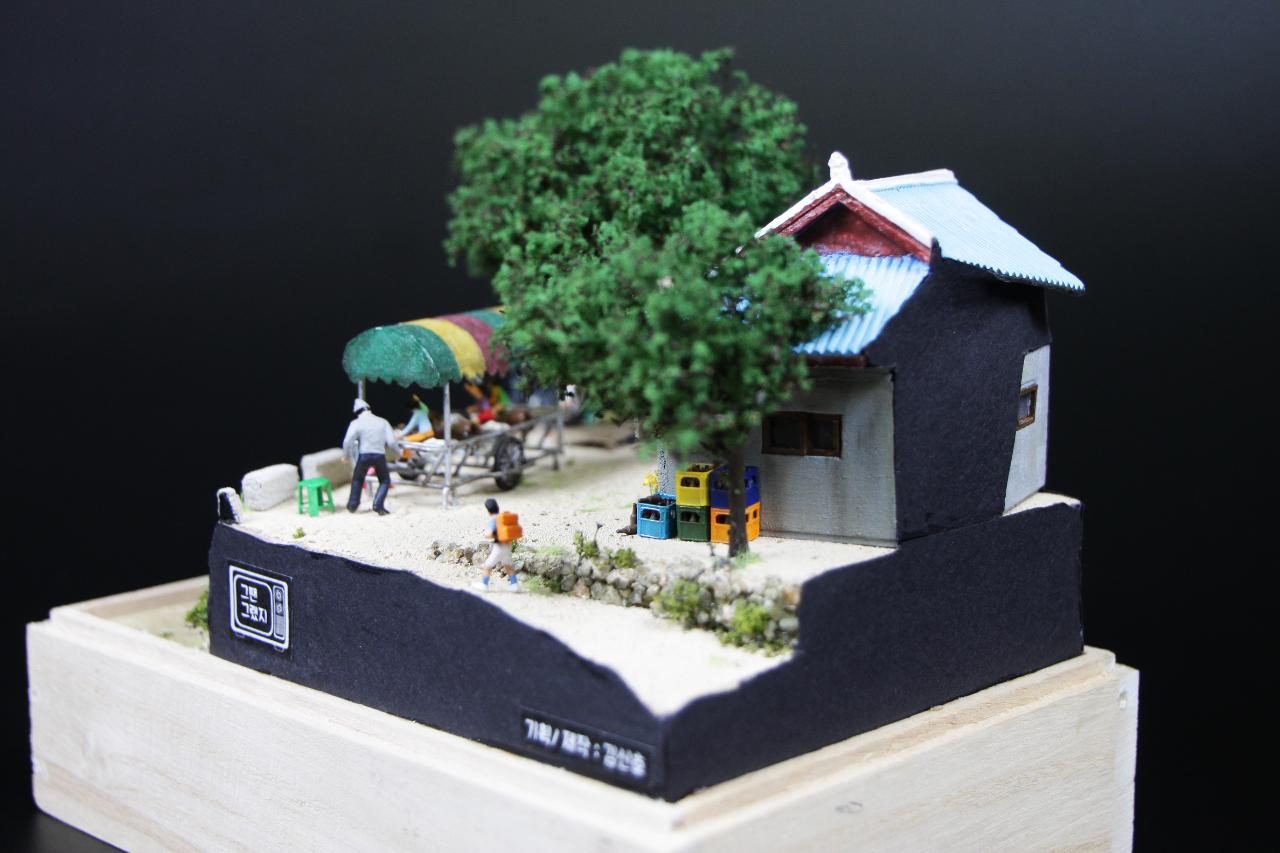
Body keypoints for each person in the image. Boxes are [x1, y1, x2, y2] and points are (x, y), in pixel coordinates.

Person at [342, 398, 400, 516]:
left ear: (357, 412)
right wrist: (398, 454)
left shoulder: (356, 423)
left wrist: (346, 455)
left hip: (364, 455)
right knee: (384, 480)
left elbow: (348, 441)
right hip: (379, 456)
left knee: (357, 479)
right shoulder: (383, 422)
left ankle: (352, 505)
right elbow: (391, 442)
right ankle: (378, 504)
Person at [472, 498, 520, 592]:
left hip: (500, 546)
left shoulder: (494, 519)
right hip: (508, 544)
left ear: (488, 510)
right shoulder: (502, 516)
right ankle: (514, 585)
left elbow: (489, 534)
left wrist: (488, 535)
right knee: (508, 565)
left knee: (487, 565)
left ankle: (484, 585)